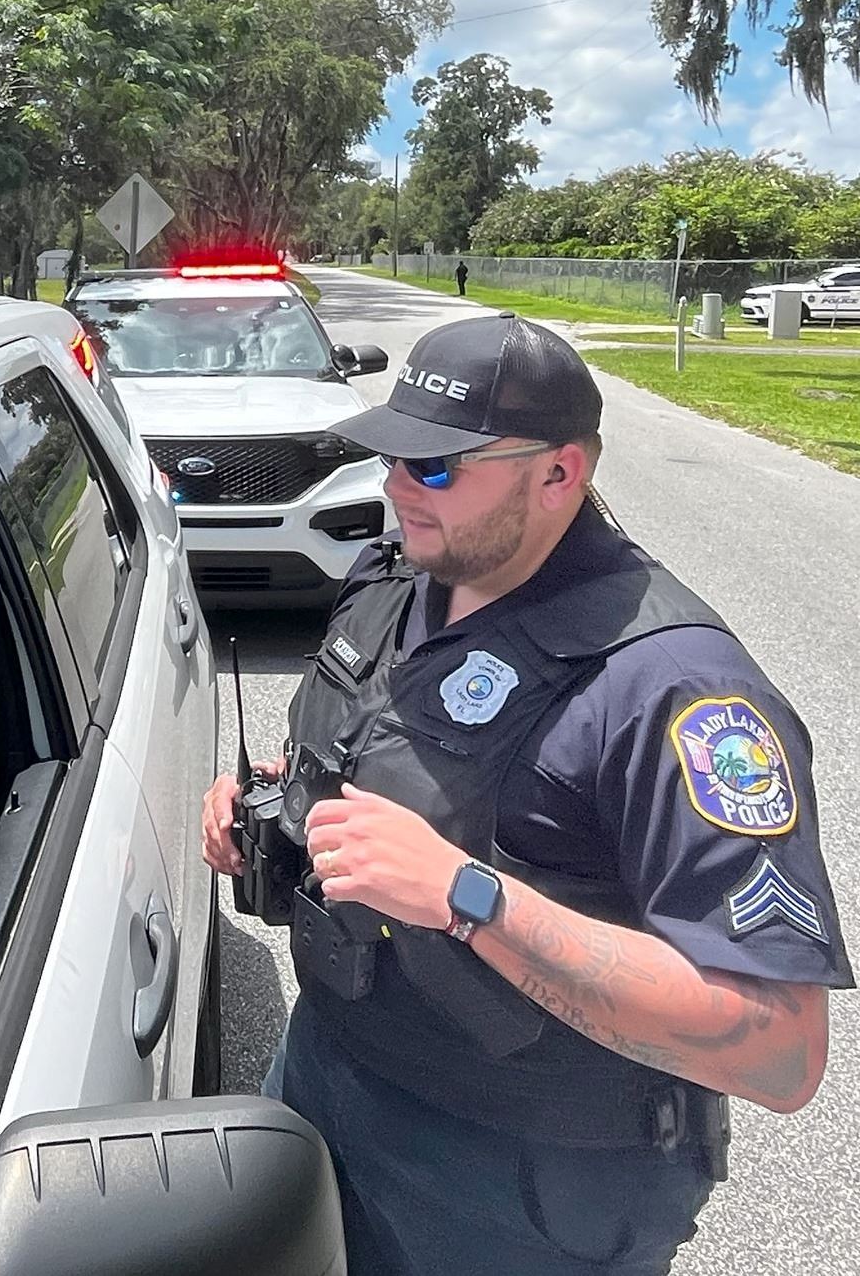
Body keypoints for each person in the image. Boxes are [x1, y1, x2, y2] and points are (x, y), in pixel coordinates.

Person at [202, 312, 847, 1276]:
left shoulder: (675, 692)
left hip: (521, 1184)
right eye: (391, 459)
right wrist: (278, 807)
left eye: (434, 469)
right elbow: (396, 764)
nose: (394, 490)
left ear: (557, 474)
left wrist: (469, 896)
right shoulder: (399, 577)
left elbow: (779, 1055)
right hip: (331, 1072)